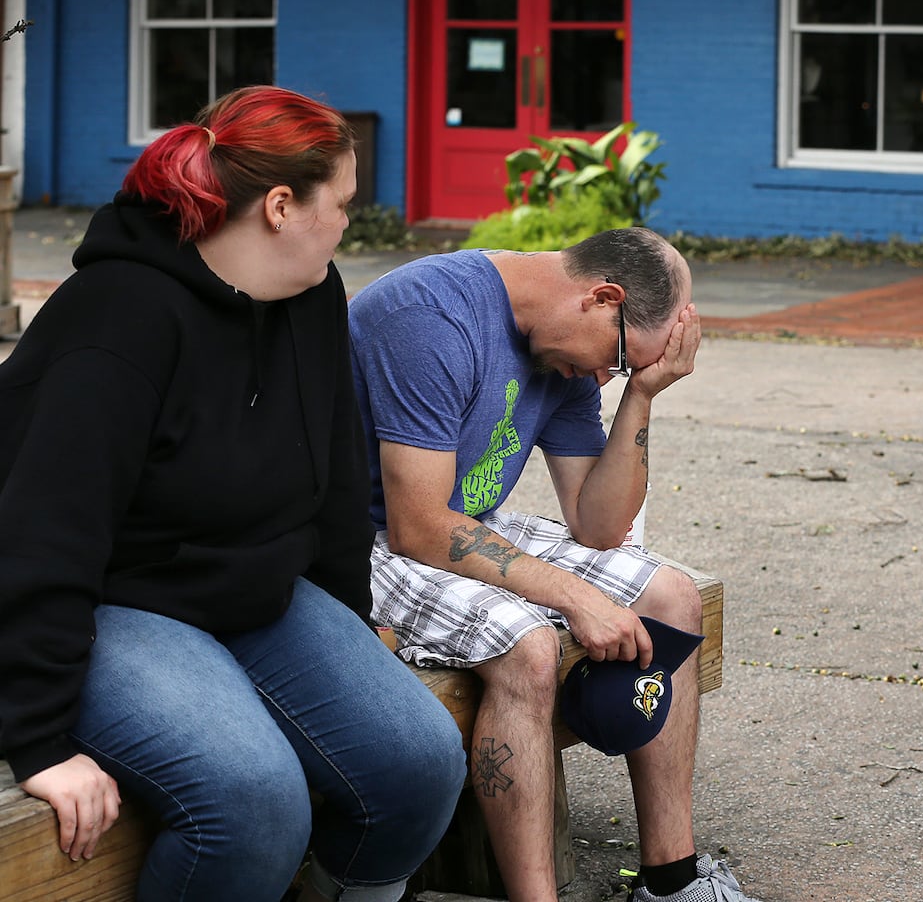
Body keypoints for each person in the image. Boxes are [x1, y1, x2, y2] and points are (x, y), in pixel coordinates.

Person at [0, 85, 466, 902]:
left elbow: (330, 491)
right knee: (252, 802)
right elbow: (44, 534)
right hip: (113, 600)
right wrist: (37, 742)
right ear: (282, 206)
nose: (351, 223)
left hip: (254, 592)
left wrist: (351, 631)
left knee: (420, 764)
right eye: (345, 203)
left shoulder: (313, 295)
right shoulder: (119, 320)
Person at [348, 227, 760, 902]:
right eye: (621, 363)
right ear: (601, 298)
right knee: (530, 647)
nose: (605, 378)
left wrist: (642, 395)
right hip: (368, 536)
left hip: (460, 523)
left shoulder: (564, 350)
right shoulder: (429, 315)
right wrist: (573, 597)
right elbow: (419, 526)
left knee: (672, 597)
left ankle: (670, 881)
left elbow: (599, 526)